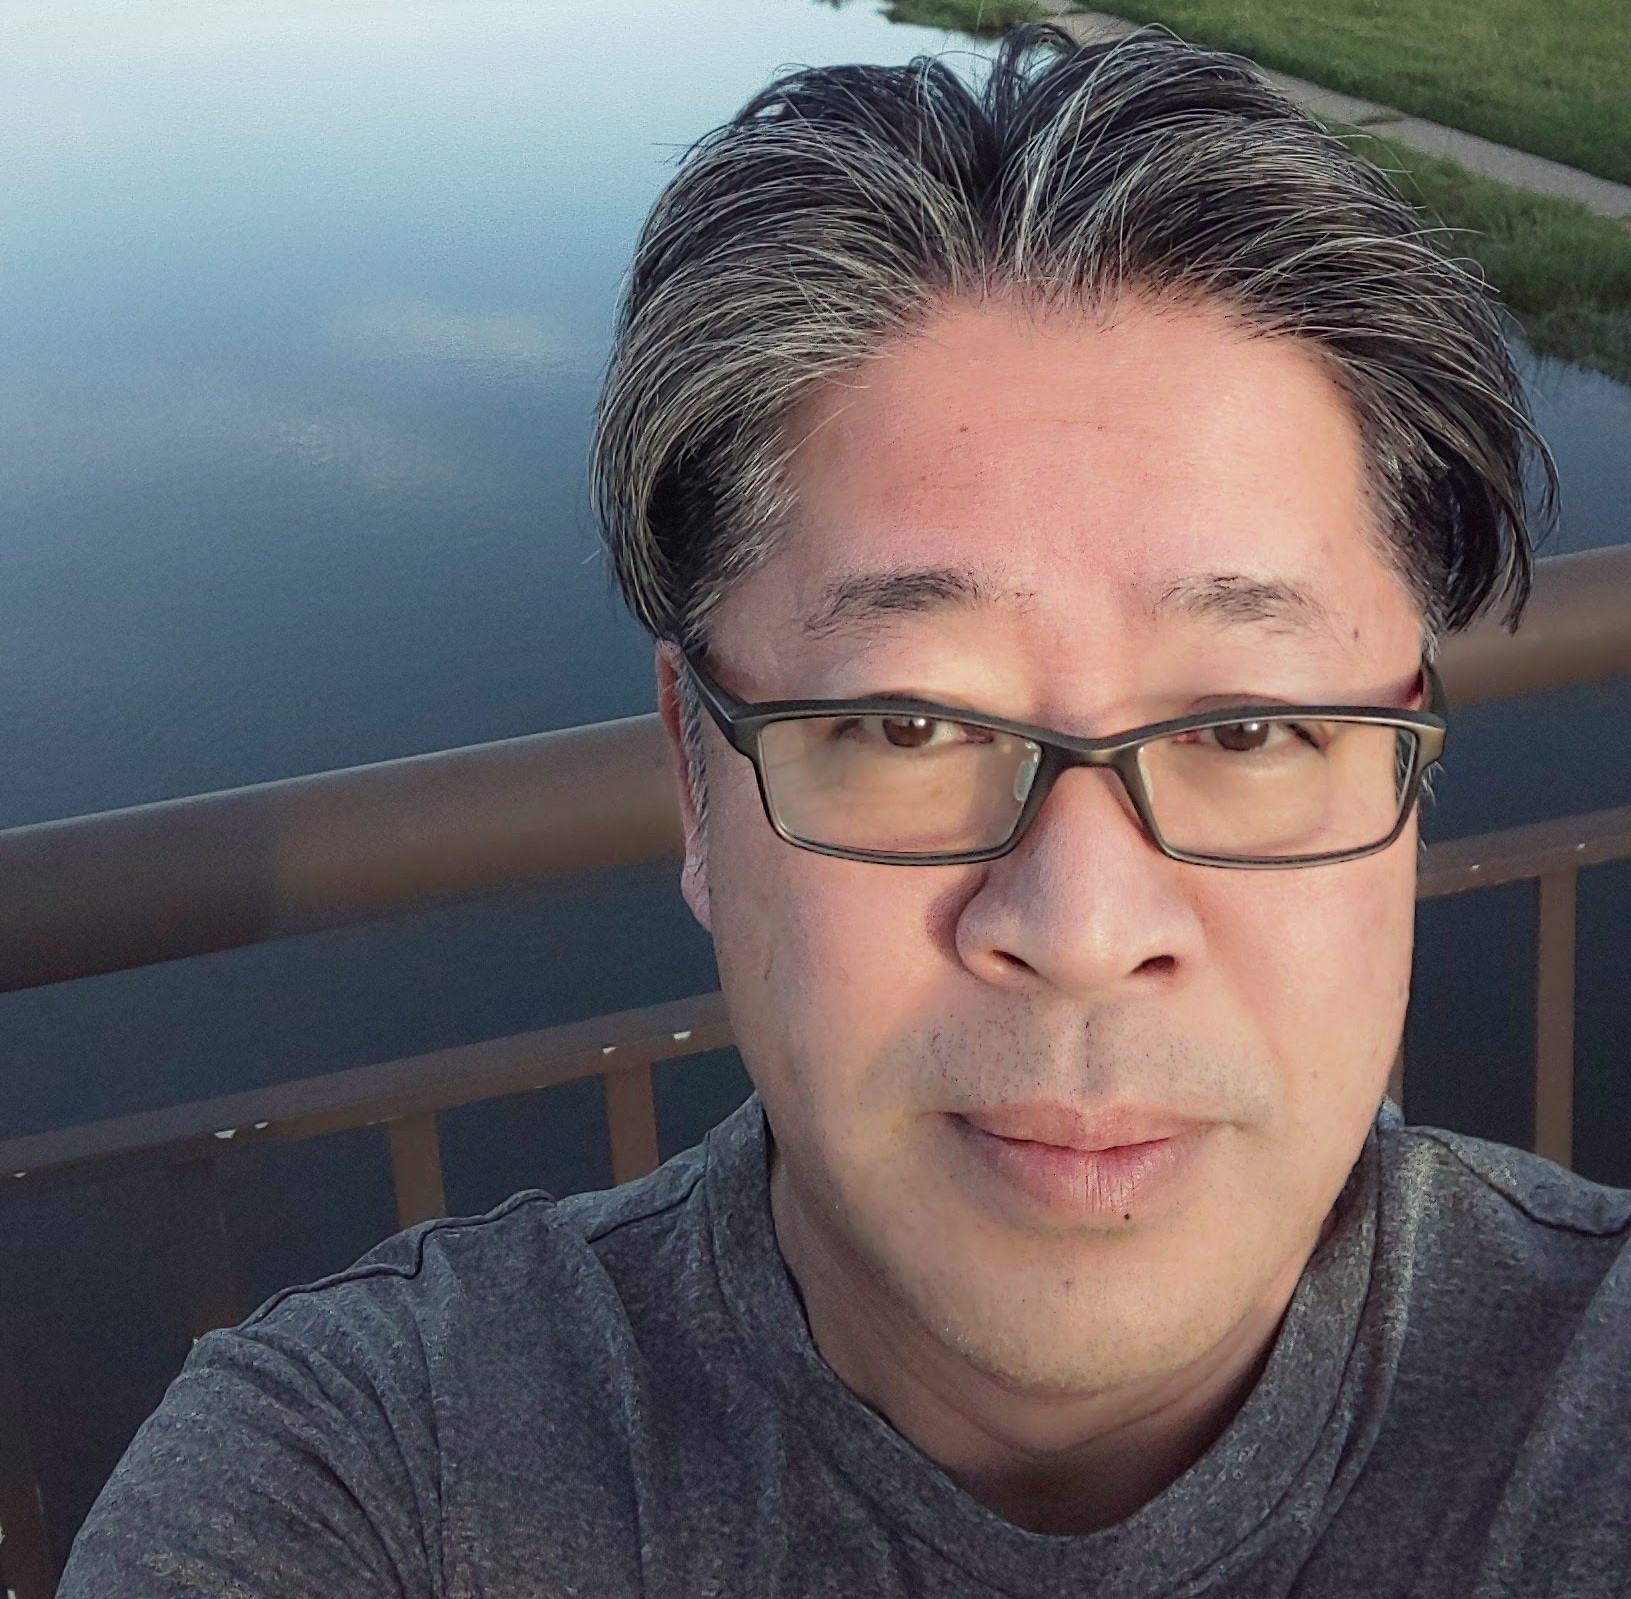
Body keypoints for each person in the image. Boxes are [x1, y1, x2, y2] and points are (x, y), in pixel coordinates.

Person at [58, 23, 1631, 1599]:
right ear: (695, 774)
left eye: (1249, 727)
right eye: (907, 723)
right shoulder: (370, 1484)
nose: (1084, 926)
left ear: (1411, 774)